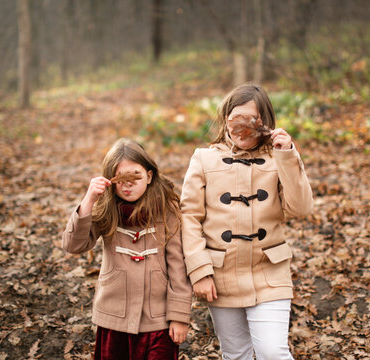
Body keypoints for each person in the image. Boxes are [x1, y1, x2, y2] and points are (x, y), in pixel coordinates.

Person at [180, 83, 313, 360]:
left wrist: (287, 156)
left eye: (250, 121)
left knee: (272, 352)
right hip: (221, 274)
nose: (241, 129)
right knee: (236, 354)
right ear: (225, 119)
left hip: (270, 272)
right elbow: (190, 217)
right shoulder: (203, 159)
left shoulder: (278, 157)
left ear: (264, 122)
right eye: (234, 119)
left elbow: (300, 208)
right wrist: (200, 270)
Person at [62, 138, 192, 360]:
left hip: (158, 319)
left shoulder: (167, 210)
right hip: (115, 316)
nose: (128, 184)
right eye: (121, 178)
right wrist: (89, 200)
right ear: (111, 180)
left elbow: (178, 266)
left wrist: (179, 316)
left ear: (149, 176)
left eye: (135, 176)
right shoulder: (106, 208)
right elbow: (73, 245)